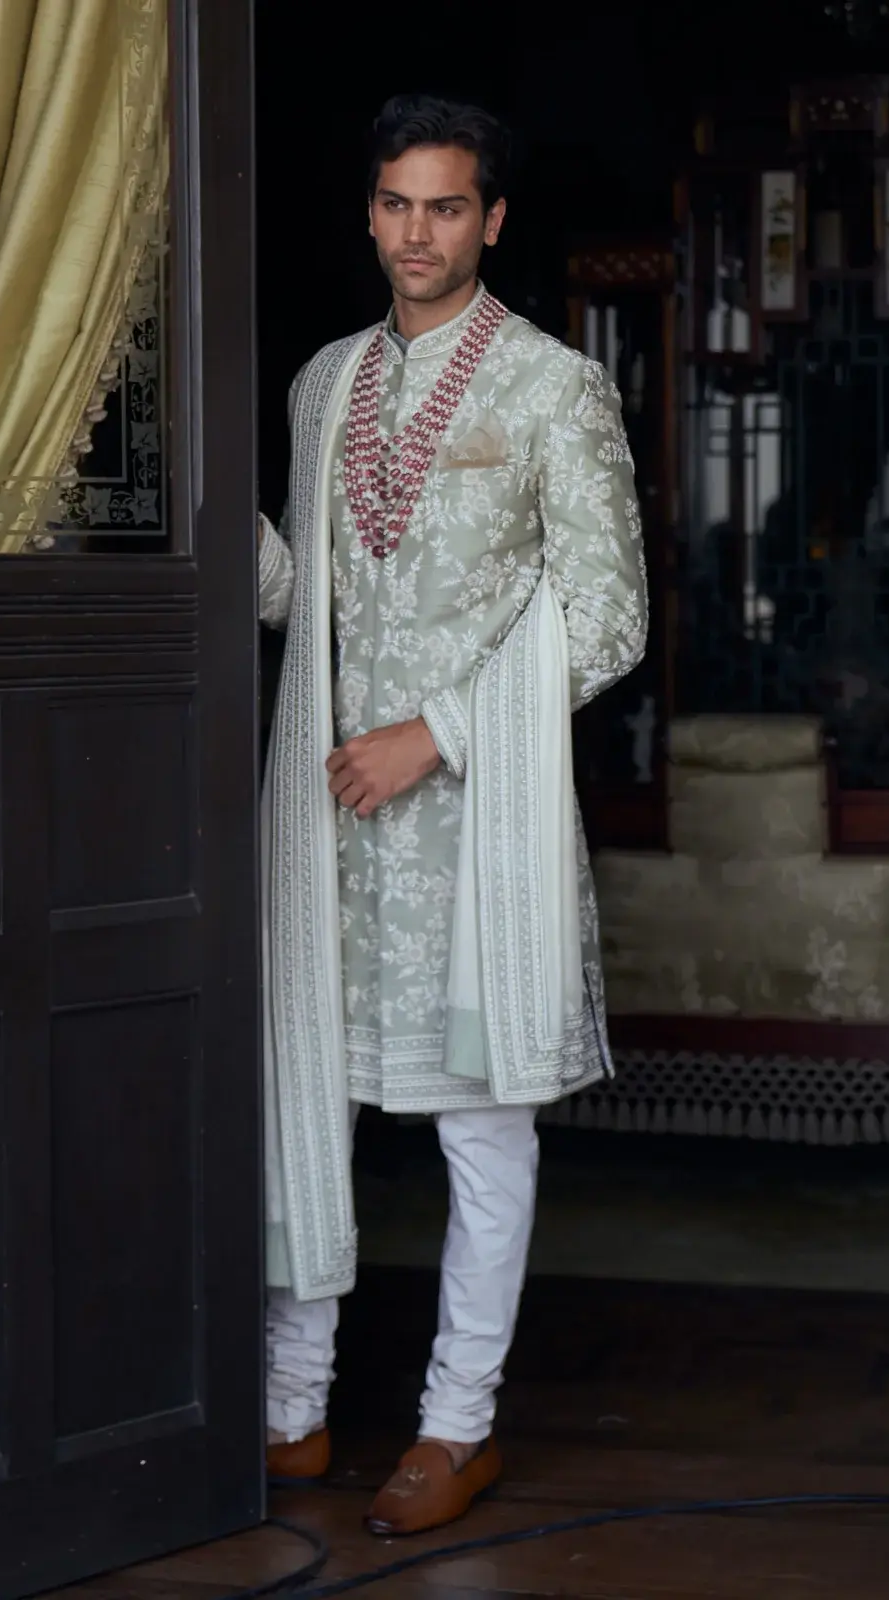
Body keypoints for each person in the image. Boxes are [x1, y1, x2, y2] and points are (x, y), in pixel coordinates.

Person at [257, 93, 647, 1537]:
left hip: (478, 832)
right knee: (304, 1097)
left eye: (446, 207)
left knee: (483, 1135)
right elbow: (309, 595)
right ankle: (291, 1407)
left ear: (491, 221)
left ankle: (455, 1426)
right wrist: (193, 518)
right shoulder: (321, 385)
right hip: (329, 825)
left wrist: (436, 736)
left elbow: (608, 619)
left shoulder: (554, 388)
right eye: (395, 203)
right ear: (368, 212)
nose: (416, 232)